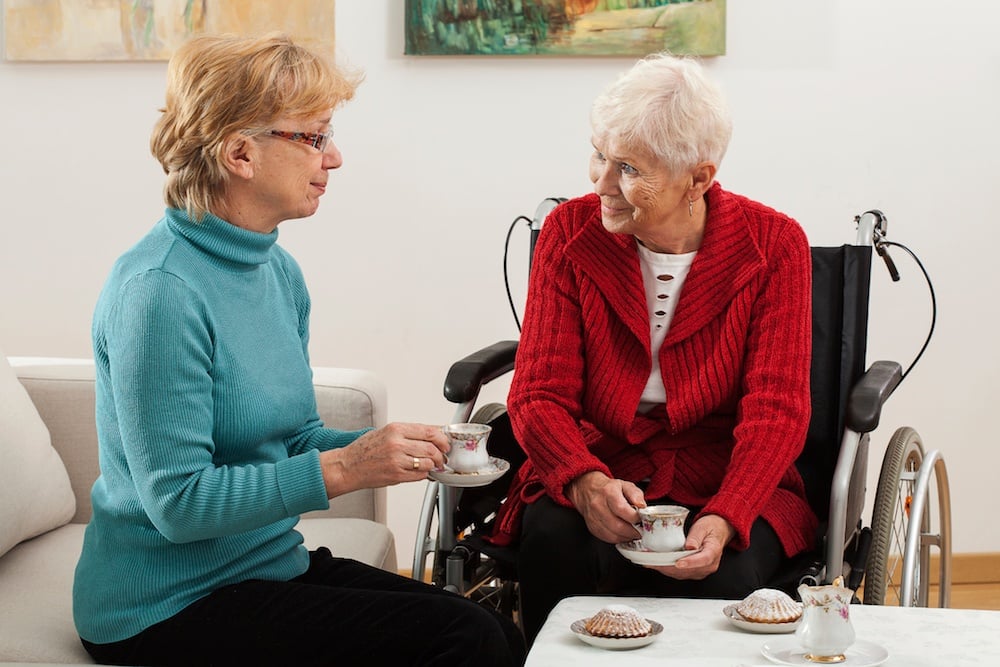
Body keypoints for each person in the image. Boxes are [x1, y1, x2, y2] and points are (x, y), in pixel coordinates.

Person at [73, 33, 525, 666]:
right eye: (314, 137)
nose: (334, 157)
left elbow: (290, 437)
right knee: (464, 639)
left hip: (261, 567)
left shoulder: (277, 272)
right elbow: (177, 505)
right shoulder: (159, 292)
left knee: (491, 625)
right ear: (240, 153)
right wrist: (350, 469)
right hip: (162, 605)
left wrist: (396, 449)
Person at [488, 52, 818, 644]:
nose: (601, 183)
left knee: (727, 577)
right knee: (556, 545)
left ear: (699, 178)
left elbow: (778, 408)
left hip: (725, 472)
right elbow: (538, 393)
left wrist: (728, 512)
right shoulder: (569, 232)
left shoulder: (775, 245)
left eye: (629, 169)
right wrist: (583, 479)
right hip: (600, 459)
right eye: (599, 155)